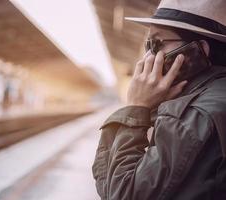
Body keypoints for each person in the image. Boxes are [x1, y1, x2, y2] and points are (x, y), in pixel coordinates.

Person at [92, 0, 226, 199]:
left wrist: (136, 107)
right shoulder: (212, 97)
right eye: (148, 45)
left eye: (156, 43)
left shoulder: (193, 115)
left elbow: (121, 193)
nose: (147, 56)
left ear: (199, 50)